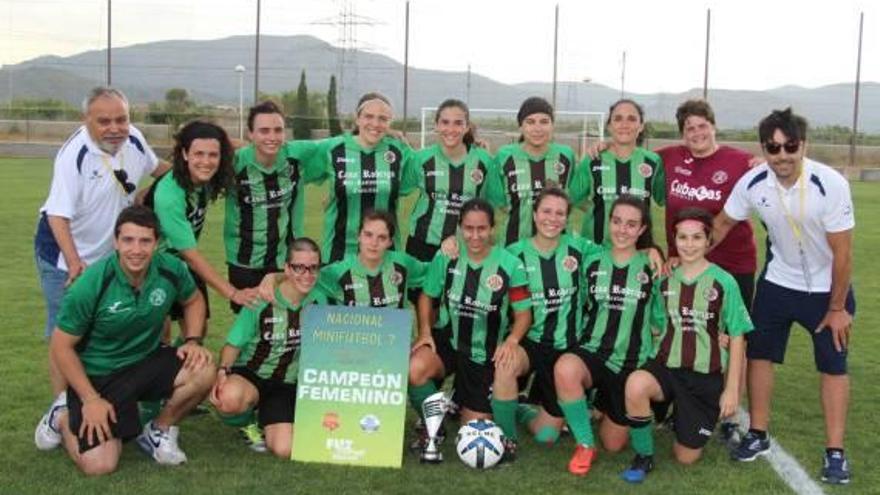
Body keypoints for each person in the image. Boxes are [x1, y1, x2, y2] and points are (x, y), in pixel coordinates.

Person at [715, 108, 856, 485]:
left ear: (803, 145)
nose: (782, 155)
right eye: (773, 147)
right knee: (760, 356)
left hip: (827, 291)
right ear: (764, 148)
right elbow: (724, 222)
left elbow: (843, 253)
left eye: (790, 146)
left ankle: (835, 452)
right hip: (778, 283)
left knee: (833, 366)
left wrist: (838, 307)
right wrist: (691, 254)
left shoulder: (830, 183)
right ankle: (758, 433)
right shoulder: (753, 182)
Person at [34, 87, 169, 447]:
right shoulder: (73, 155)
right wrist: (75, 264)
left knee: (115, 323)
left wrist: (196, 173)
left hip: (114, 251)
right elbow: (57, 215)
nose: (115, 128)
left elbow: (160, 170)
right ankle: (60, 407)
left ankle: (129, 395)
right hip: (64, 254)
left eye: (121, 119)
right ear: (87, 121)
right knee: (65, 331)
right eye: (104, 121)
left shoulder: (135, 140)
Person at [35, 206, 214, 475]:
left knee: (204, 368)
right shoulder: (92, 283)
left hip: (145, 362)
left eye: (145, 241)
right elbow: (61, 346)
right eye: (128, 240)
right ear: (116, 242)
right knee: (100, 465)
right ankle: (61, 417)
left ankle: (159, 430)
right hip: (98, 375)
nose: (136, 250)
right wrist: (91, 399)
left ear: (157, 243)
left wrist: (192, 340)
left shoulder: (171, 269)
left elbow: (193, 300)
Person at [620, 207, 752, 483]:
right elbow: (658, 322)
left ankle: (684, 415)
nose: (689, 245)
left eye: (696, 238)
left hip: (703, 377)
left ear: (708, 241)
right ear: (675, 240)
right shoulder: (665, 280)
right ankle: (644, 455)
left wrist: (731, 390)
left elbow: (738, 336)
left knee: (686, 457)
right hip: (667, 367)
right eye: (682, 238)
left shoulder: (724, 281)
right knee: (635, 384)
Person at [408, 198, 531, 462]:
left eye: (482, 229)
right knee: (415, 368)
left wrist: (512, 340)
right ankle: (434, 427)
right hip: (451, 343)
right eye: (468, 228)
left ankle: (480, 409)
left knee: (472, 429)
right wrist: (425, 332)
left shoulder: (511, 265)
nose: (475, 235)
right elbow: (426, 296)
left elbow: (523, 314)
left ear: (492, 228)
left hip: (484, 352)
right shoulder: (447, 256)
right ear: (460, 227)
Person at [552, 195, 659, 476]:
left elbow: (661, 319)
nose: (622, 230)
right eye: (617, 221)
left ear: (642, 230)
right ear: (609, 223)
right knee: (565, 368)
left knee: (614, 444)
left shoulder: (652, 267)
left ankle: (599, 407)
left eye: (631, 224)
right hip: (594, 352)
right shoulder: (591, 262)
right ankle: (585, 444)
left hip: (630, 362)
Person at [211, 238, 326, 459]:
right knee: (228, 398)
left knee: (284, 449)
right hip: (252, 375)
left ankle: (270, 418)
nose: (307, 274)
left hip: (285, 384)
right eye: (299, 267)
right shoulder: (261, 299)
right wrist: (222, 372)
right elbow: (233, 344)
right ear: (286, 268)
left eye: (313, 267)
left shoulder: (320, 299)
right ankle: (248, 423)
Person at [224, 100, 320, 313]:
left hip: (283, 259)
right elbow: (203, 146)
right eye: (264, 131)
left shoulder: (295, 155)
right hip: (243, 262)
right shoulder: (235, 163)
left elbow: (338, 144)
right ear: (250, 134)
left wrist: (387, 134)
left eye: (278, 130)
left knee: (284, 322)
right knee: (249, 329)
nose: (272, 137)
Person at [147, 120, 242, 329]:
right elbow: (191, 255)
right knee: (159, 335)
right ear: (184, 154)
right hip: (154, 267)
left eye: (213, 155)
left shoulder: (205, 178)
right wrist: (232, 293)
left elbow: (235, 146)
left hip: (181, 262)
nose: (206, 162)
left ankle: (185, 356)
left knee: (197, 330)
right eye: (199, 154)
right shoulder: (170, 194)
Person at [306, 92, 416, 263]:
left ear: (390, 123)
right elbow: (291, 160)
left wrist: (471, 148)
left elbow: (431, 167)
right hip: (339, 253)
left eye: (383, 119)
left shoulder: (399, 151)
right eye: (368, 116)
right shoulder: (333, 148)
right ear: (357, 119)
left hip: (385, 254)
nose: (375, 123)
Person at [405, 99, 493, 263]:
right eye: (445, 122)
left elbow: (491, 205)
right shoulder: (421, 159)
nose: (451, 129)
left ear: (466, 127)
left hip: (466, 245)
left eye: (458, 123)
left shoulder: (484, 161)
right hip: (422, 243)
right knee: (419, 289)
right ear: (437, 125)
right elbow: (400, 188)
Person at [571, 99, 665, 245]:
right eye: (618, 118)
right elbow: (573, 198)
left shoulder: (653, 162)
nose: (624, 124)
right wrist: (598, 206)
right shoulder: (593, 159)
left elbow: (664, 199)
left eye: (632, 119)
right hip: (596, 250)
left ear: (641, 126)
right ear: (609, 126)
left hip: (638, 252)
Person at [485, 96, 577, 246]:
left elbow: (574, 198)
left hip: (559, 248)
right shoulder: (504, 156)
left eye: (544, 122)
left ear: (552, 125)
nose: (538, 128)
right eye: (530, 122)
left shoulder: (566, 156)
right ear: (520, 126)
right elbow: (498, 203)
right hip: (514, 246)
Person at [317, 210, 425, 308]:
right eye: (368, 235)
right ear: (358, 236)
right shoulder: (339, 271)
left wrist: (442, 252)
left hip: (395, 329)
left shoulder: (402, 263)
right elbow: (305, 282)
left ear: (390, 242)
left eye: (382, 238)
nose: (374, 243)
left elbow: (434, 272)